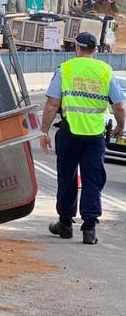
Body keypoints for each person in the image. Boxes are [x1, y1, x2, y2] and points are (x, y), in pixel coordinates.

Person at [40, 32, 125, 244]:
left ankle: (65, 224)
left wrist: (44, 131)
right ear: (95, 50)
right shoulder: (106, 71)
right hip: (95, 136)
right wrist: (120, 128)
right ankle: (89, 229)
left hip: (70, 132)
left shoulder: (66, 69)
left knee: (67, 177)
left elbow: (52, 104)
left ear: (77, 48)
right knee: (92, 180)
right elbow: (119, 106)